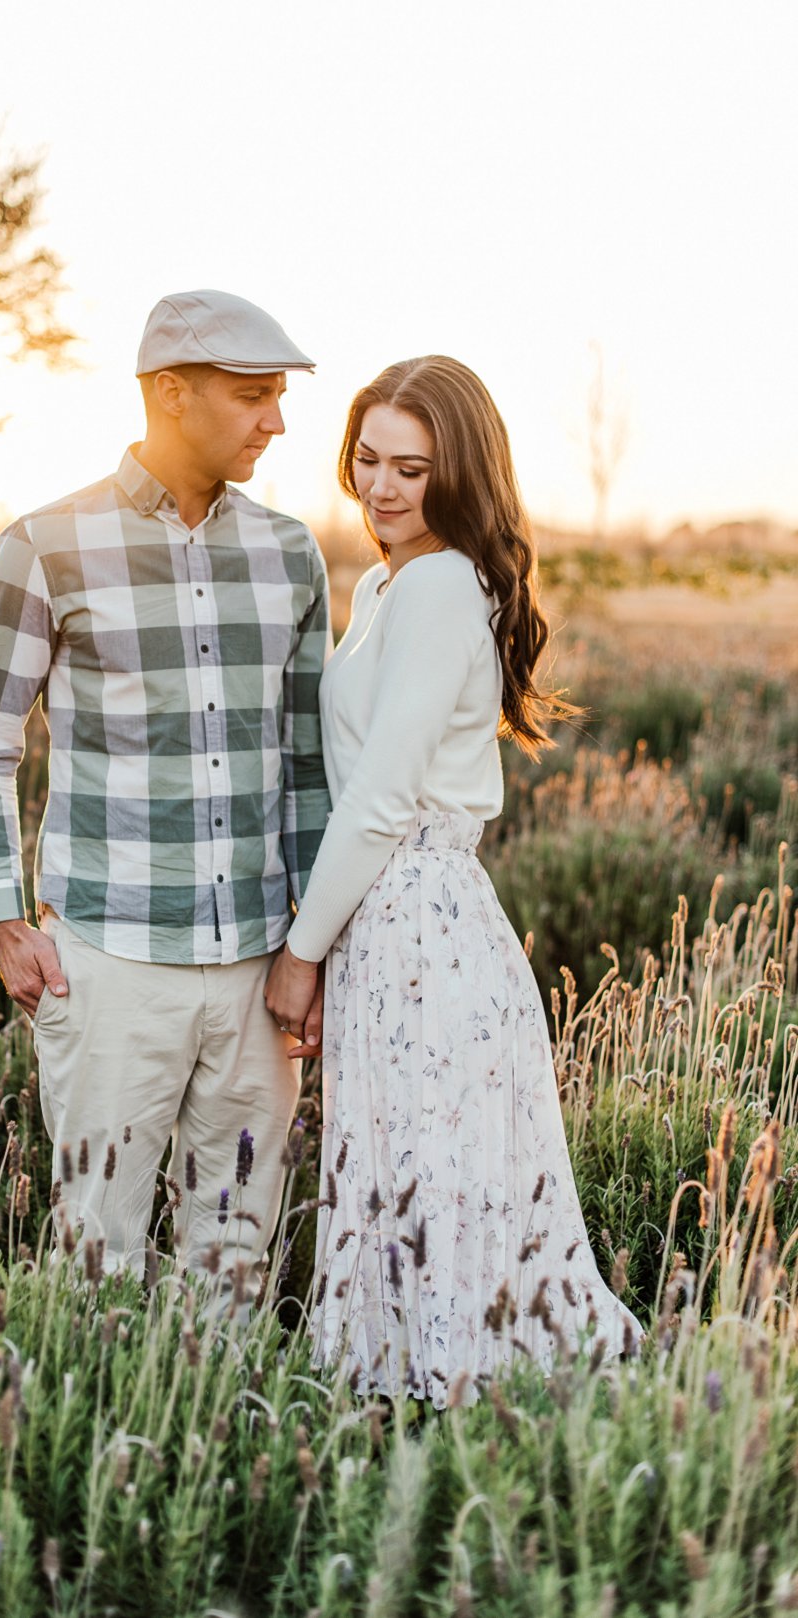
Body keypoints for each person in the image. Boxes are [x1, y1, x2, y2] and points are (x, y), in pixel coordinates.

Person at [265, 355, 641, 1403]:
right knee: (410, 1182)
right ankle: (415, 1408)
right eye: (368, 457)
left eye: (413, 469)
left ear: (460, 475)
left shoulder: (435, 584)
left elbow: (382, 796)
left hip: (420, 916)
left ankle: (466, 1415)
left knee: (438, 1187)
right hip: (386, 918)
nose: (381, 487)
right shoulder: (387, 581)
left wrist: (299, 957)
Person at [0, 289, 331, 1300]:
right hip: (110, 968)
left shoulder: (291, 555)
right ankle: (93, 1461)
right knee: (97, 1263)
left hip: (260, 975)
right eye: (253, 396)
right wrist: (2, 919)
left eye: (278, 398)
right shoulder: (44, 543)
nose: (276, 421)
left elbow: (308, 770)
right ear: (171, 393)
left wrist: (319, 949)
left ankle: (214, 1457)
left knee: (236, 1265)